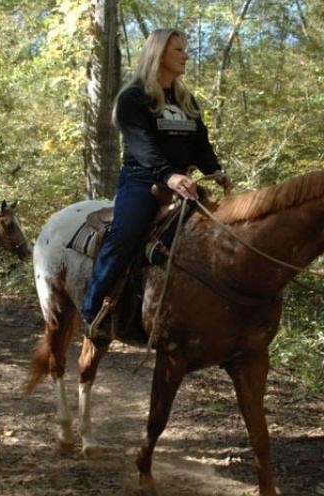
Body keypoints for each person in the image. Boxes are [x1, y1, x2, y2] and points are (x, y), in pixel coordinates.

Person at [80, 28, 232, 346]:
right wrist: (168, 175)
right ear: (160, 54)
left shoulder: (186, 98)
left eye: (185, 50)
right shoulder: (133, 98)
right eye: (179, 50)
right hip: (142, 180)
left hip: (184, 182)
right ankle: (92, 311)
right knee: (124, 236)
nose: (186, 55)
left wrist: (214, 169)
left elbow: (200, 141)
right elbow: (142, 146)